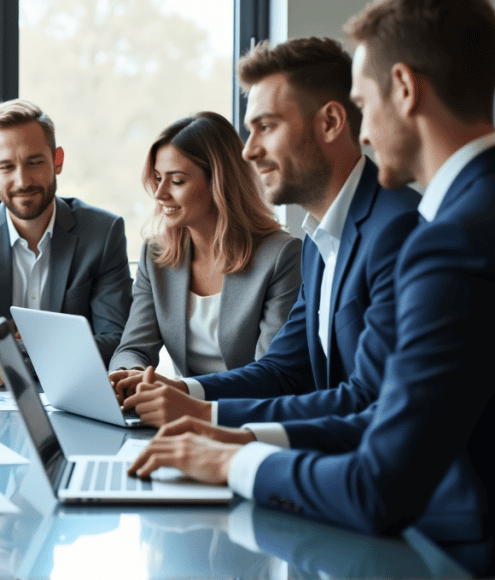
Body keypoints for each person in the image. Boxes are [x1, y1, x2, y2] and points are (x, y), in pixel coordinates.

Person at [131, 1, 495, 574]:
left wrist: (230, 454)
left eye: (362, 104)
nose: (248, 151)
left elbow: (376, 449)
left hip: (451, 545)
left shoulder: (429, 233)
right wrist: (213, 417)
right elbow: (299, 370)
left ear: (401, 89)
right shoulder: (328, 237)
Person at [115, 38, 420, 430]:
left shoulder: (397, 229)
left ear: (330, 122)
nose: (248, 151)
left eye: (267, 127)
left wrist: (210, 422)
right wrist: (182, 393)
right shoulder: (317, 242)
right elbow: (283, 371)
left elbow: (370, 402)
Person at [0, 98, 133, 386]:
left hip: (74, 393)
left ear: (57, 160)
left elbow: (117, 340)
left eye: (34, 162)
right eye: (6, 167)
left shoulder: (102, 233)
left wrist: (20, 350)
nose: (22, 181)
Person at [107, 112, 302, 401]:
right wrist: (129, 375)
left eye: (177, 181)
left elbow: (271, 375)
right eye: (158, 178)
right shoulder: (156, 254)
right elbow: (133, 347)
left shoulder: (280, 256)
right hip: (178, 413)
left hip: (247, 418)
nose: (160, 194)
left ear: (219, 183)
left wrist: (184, 391)